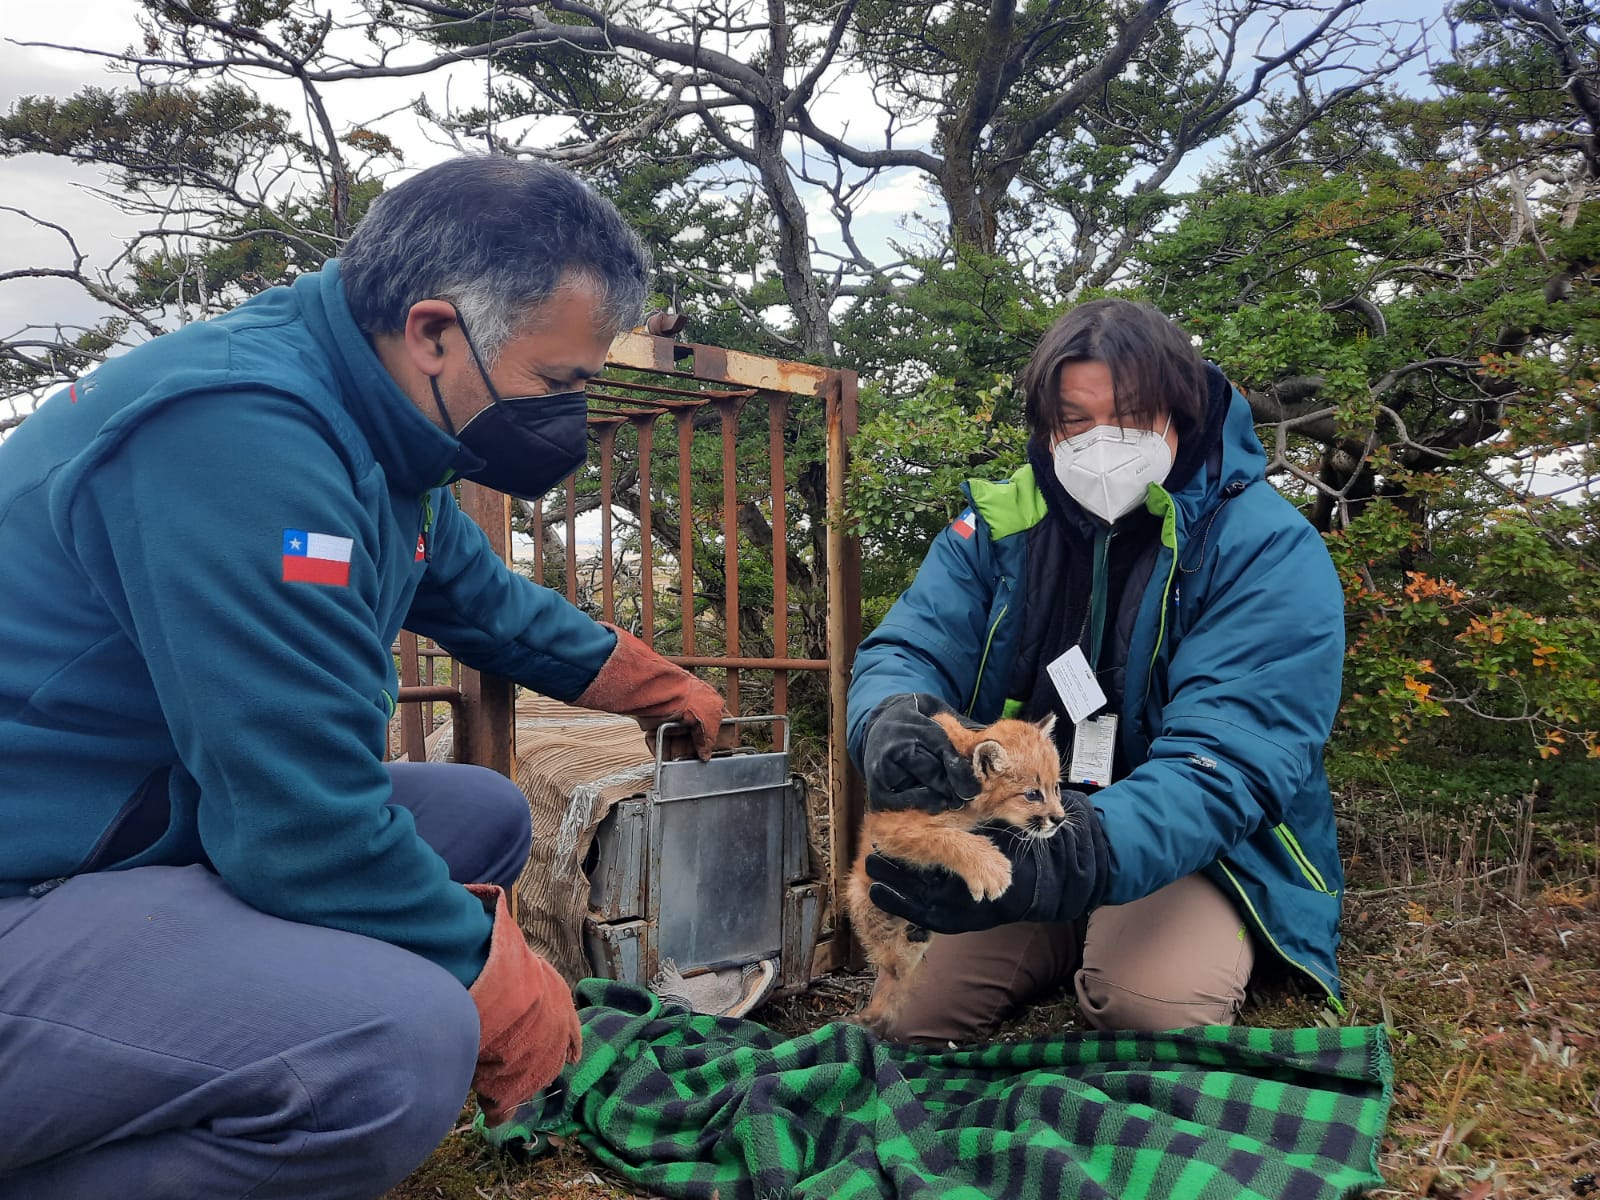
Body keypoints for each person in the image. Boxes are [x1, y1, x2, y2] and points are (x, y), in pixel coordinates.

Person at [0, 156, 728, 1200]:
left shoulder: (381, 428)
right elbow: (300, 820)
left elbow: (481, 601)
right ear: (435, 330)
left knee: (475, 814)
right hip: (29, 872)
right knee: (397, 1047)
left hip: (127, 831)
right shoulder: (239, 432)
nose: (569, 416)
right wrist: (488, 975)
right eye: (557, 382)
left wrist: (660, 686)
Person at [848, 299, 1346, 1044]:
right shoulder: (1000, 523)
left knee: (1147, 1006)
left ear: (1184, 409)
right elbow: (910, 644)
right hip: (1033, 817)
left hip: (1198, 849)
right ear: (1046, 426)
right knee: (914, 1011)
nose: (1101, 444)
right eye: (1074, 420)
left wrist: (1084, 855)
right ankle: (1063, 926)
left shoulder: (1264, 545)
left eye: (1135, 415)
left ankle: (1157, 932)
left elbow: (1236, 758)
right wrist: (894, 718)